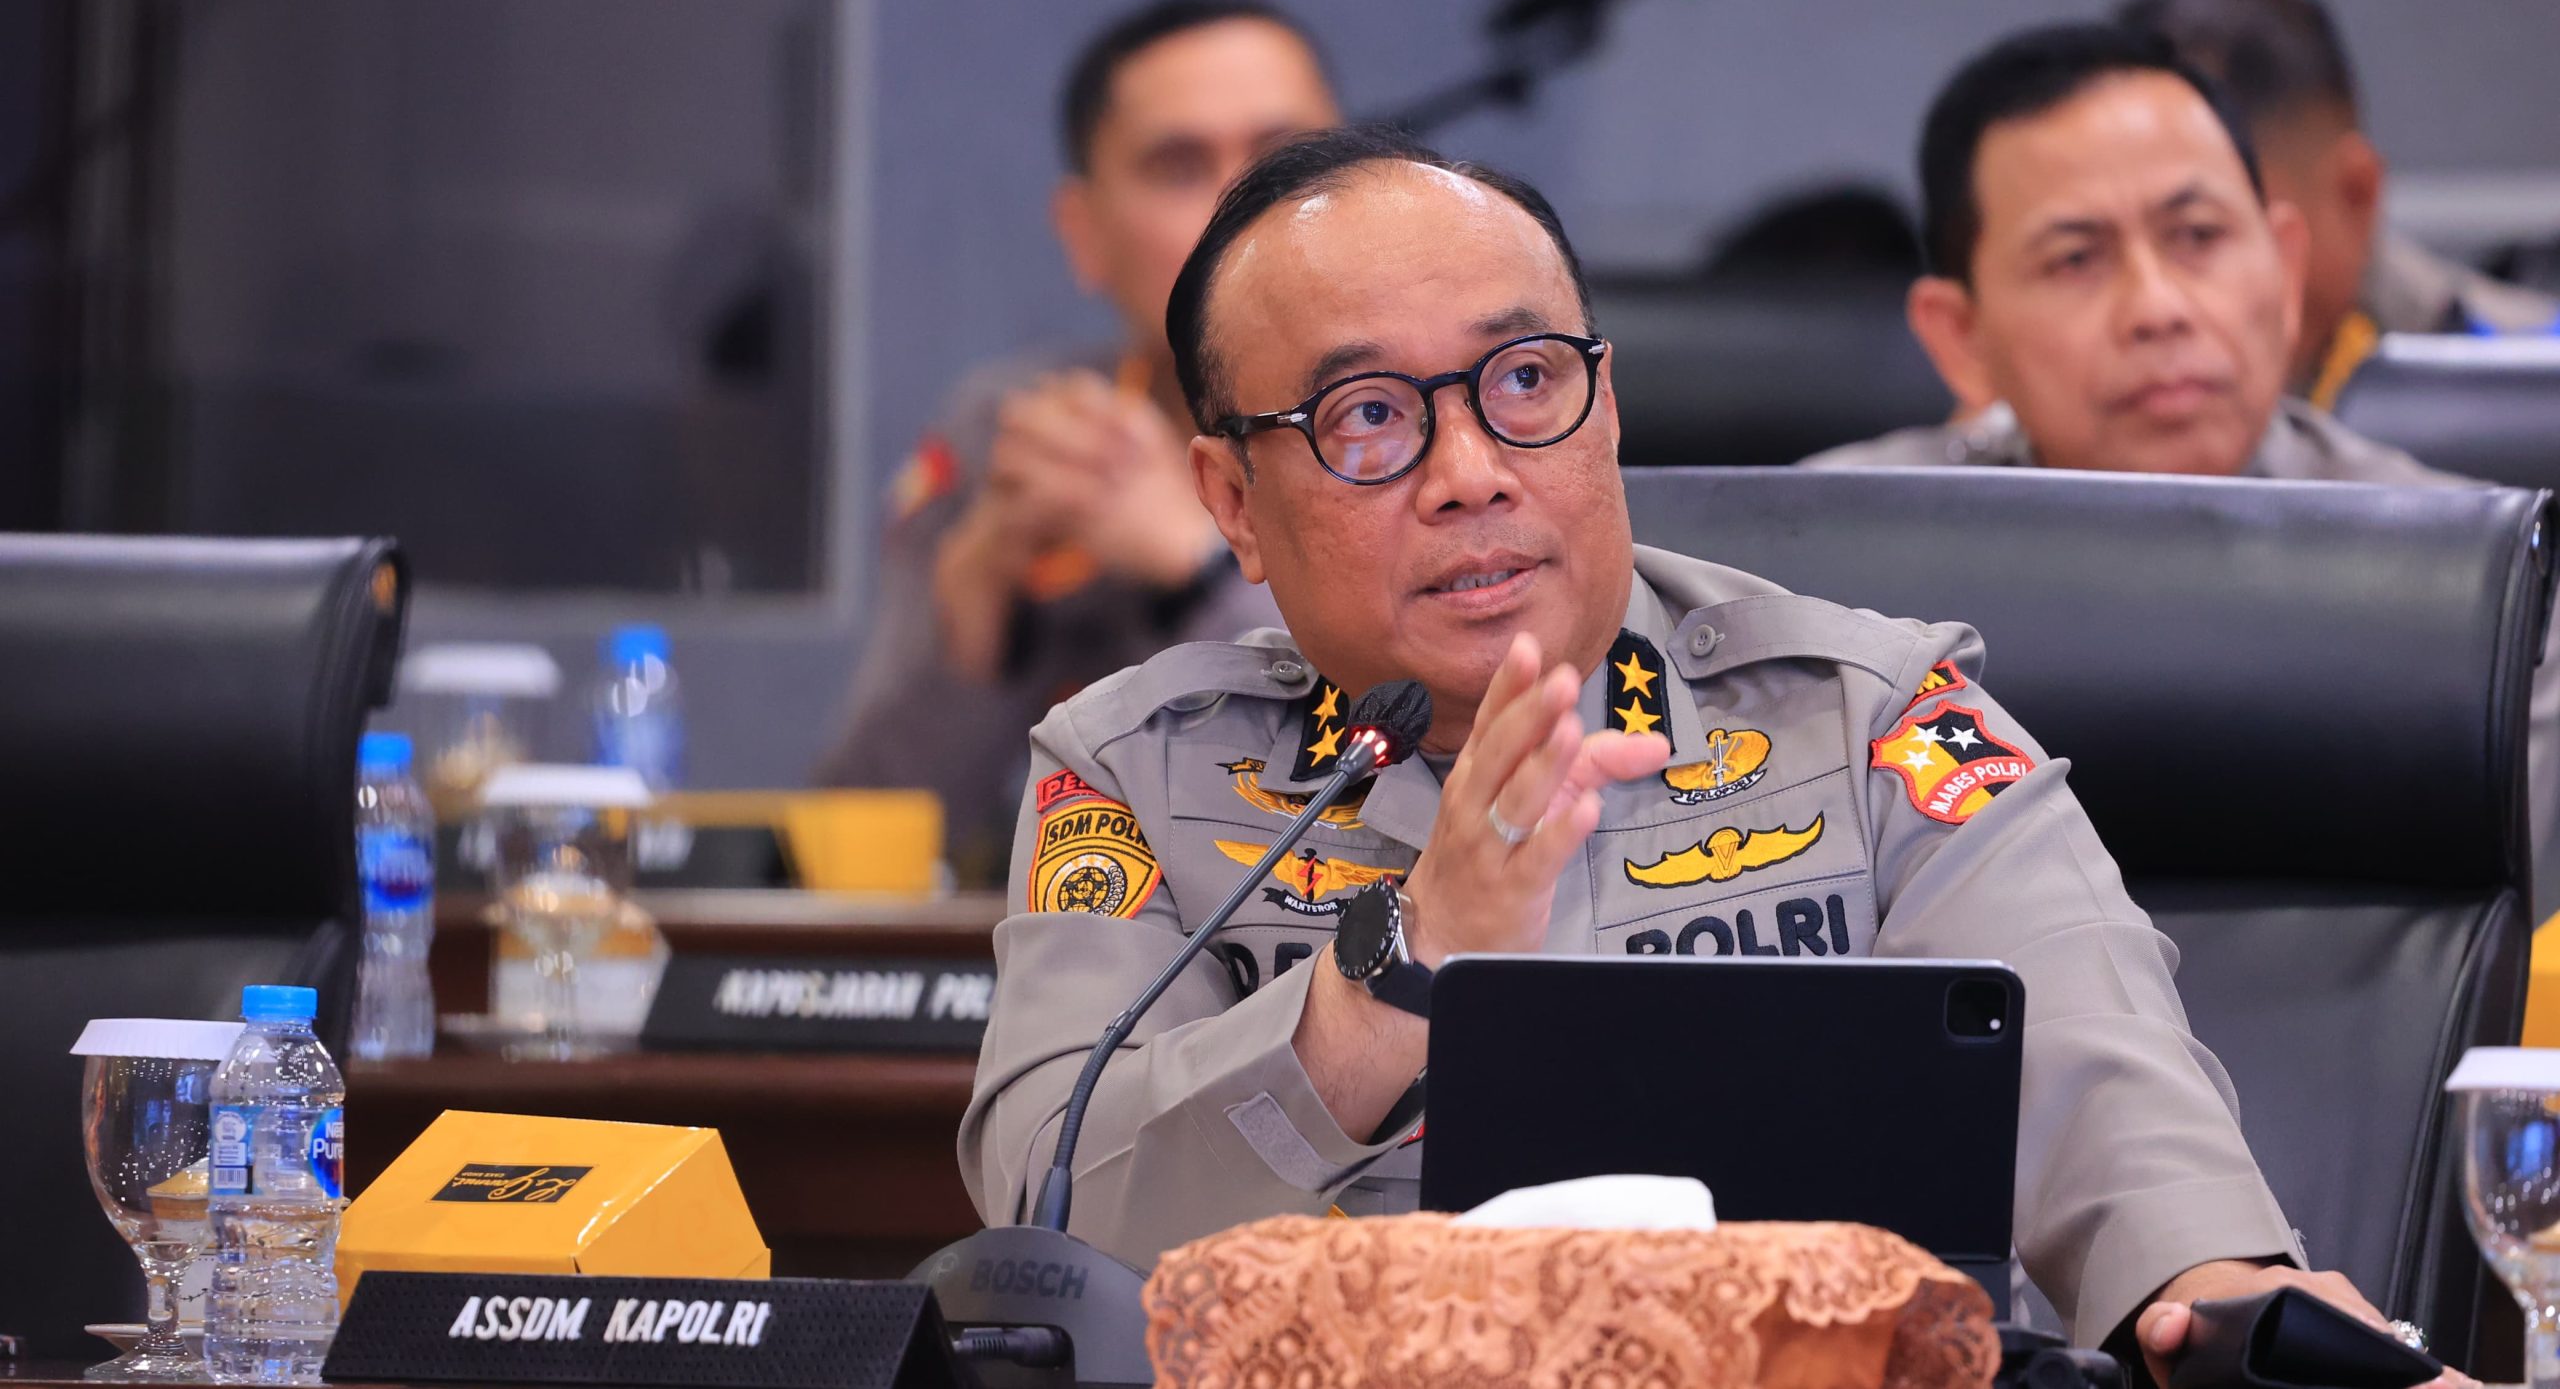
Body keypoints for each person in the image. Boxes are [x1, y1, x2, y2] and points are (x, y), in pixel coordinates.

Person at [958, 123, 2405, 1381]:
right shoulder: (1137, 774)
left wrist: (2222, 1308)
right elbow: (1054, 1231)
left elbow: (2106, 1091)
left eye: (1525, 380)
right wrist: (1399, 969)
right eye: (1371, 418)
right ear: (1232, 502)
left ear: (1607, 405)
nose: (1472, 474)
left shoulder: (1869, 719)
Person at [1809, 22, 2560, 920]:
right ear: (1960, 337)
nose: (2158, 307)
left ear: (2286, 269)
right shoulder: (1826, 576)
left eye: (2198, 235)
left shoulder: (2481, 590)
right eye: (2075, 258)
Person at [814, 0, 1338, 882]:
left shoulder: (1437, 419)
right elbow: (855, 844)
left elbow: (1429, 774)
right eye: (1179, 167)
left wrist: (1198, 563)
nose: (1241, 205)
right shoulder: (1022, 437)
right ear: (1086, 233)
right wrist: (976, 625)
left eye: (1284, 158)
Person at [2118, 0, 2560, 410]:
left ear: (2356, 194)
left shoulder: (2530, 384)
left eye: (2199, 234)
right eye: (2090, 251)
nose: (2155, 304)